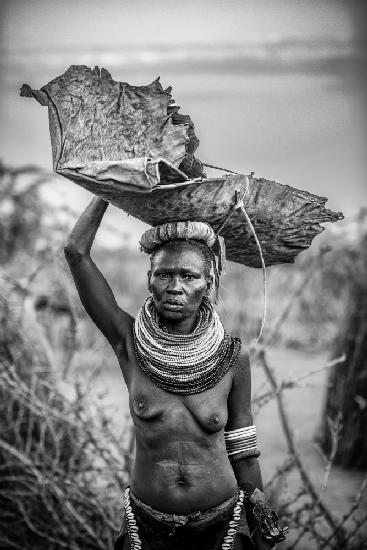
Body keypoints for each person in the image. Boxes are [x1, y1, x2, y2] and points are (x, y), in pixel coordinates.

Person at [64, 196, 287, 550]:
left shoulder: (231, 356)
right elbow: (75, 252)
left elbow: (243, 450)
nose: (175, 286)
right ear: (149, 279)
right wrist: (107, 188)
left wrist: (259, 525)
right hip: (146, 524)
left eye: (189, 275)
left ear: (209, 282)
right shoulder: (130, 344)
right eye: (164, 274)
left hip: (223, 522)